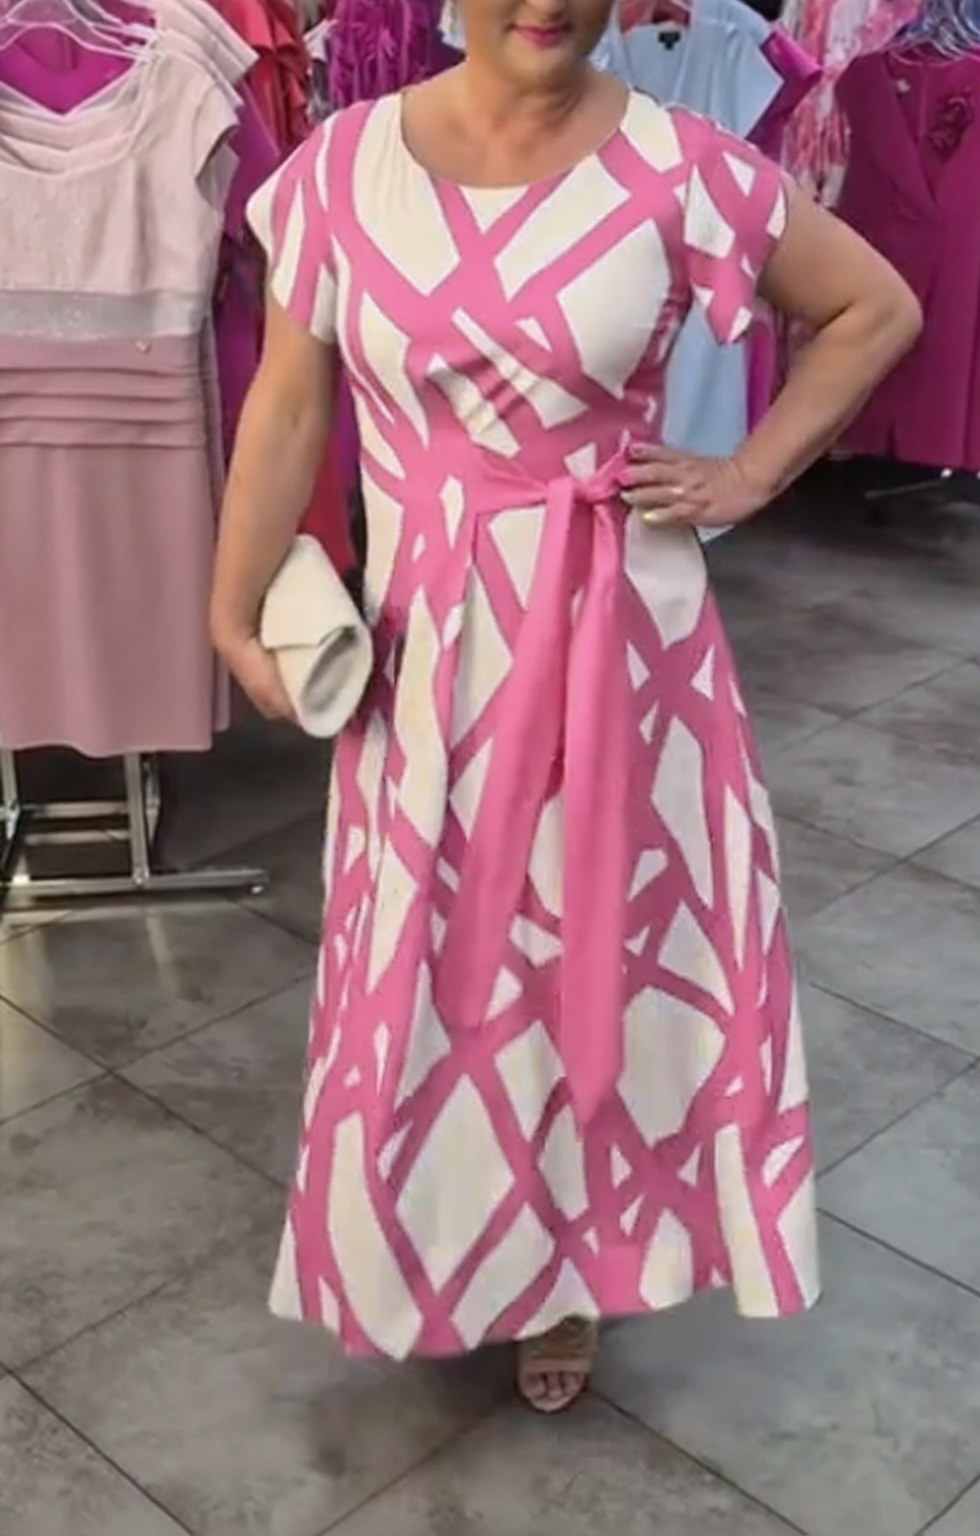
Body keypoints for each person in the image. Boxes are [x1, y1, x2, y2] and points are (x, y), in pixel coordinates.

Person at [211, 0, 920, 1415]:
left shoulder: (683, 162)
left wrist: (746, 475)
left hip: (625, 651)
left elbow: (876, 308)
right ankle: (435, 1240)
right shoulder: (343, 166)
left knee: (594, 954)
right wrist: (231, 605)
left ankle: (572, 1272)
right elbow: (289, 404)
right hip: (424, 656)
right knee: (425, 965)